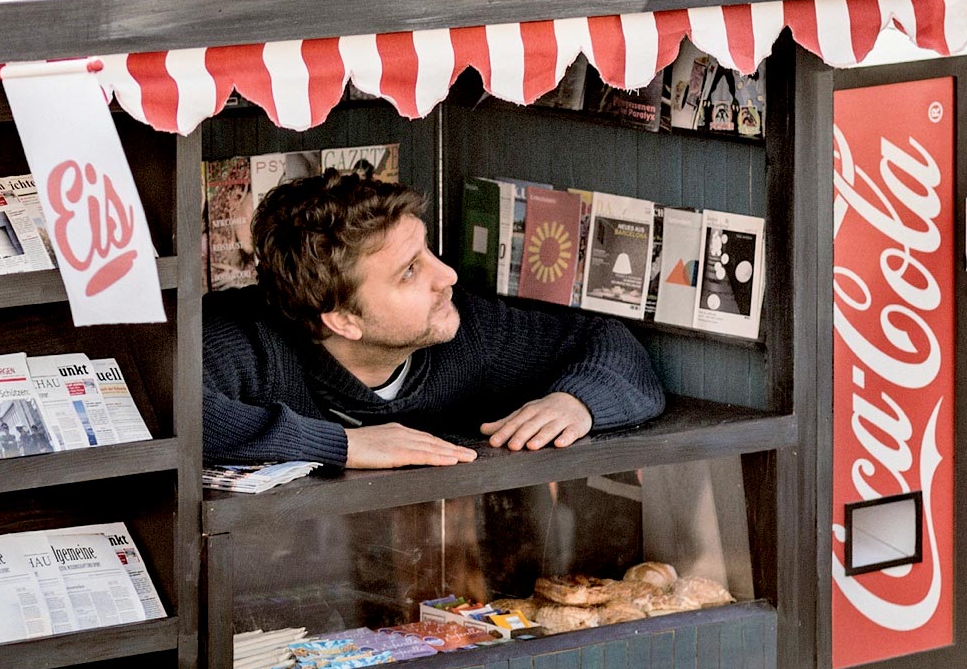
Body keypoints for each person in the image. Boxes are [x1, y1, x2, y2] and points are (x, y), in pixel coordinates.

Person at [205, 171, 667, 470]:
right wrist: (342, 446)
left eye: (426, 250)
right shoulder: (244, 340)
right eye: (410, 271)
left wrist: (578, 402)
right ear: (343, 320)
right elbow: (181, 417)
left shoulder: (464, 328)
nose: (447, 275)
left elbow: (606, 343)